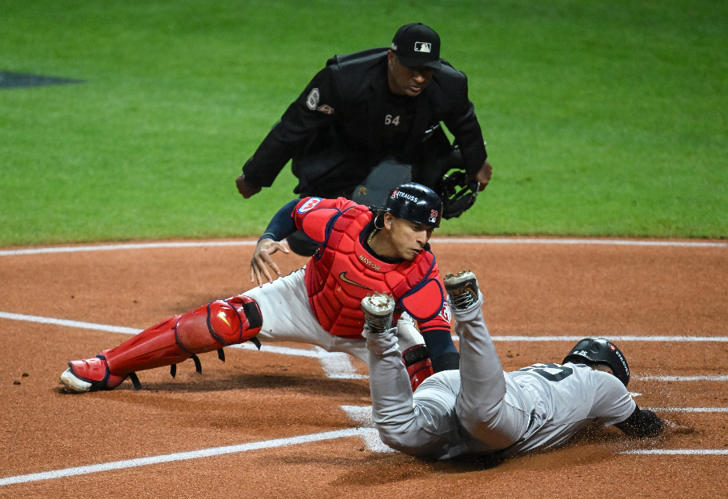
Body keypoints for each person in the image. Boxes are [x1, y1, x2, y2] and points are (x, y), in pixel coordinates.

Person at [59, 183, 458, 393]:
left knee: (427, 377)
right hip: (303, 301)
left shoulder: (422, 272)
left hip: (374, 334)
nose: (424, 238)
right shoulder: (343, 222)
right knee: (217, 322)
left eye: (430, 230)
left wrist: (456, 393)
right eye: (417, 227)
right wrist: (269, 237)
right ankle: (110, 365)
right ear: (388, 221)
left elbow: (441, 344)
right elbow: (296, 210)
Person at [235, 22, 493, 255]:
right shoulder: (344, 79)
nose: (420, 77)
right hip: (347, 152)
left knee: (407, 213)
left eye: (428, 70)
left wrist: (477, 163)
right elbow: (293, 127)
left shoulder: (449, 85)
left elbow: (465, 124)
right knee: (309, 237)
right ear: (391, 58)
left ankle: (398, 272)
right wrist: (255, 176)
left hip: (410, 153)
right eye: (412, 68)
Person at [360, 270, 673, 460]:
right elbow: (642, 426)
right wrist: (676, 428)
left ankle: (380, 334)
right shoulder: (603, 383)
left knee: (397, 429)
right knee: (480, 414)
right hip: (504, 413)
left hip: (454, 389)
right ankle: (468, 310)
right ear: (607, 368)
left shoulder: (546, 370)